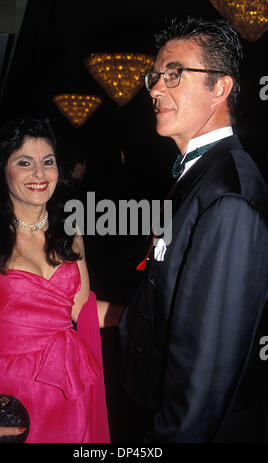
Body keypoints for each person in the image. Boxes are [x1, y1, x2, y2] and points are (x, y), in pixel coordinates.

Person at [119, 17, 268, 442]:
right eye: (155, 76)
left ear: (219, 88)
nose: (154, 88)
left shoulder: (228, 195)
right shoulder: (196, 175)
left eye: (174, 74)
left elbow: (207, 373)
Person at [0, 117, 121, 443]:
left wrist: (144, 315)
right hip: (9, 393)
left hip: (68, 386)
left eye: (47, 162)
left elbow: (82, 309)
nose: (39, 173)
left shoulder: (71, 233)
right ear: (2, 170)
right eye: (25, 162)